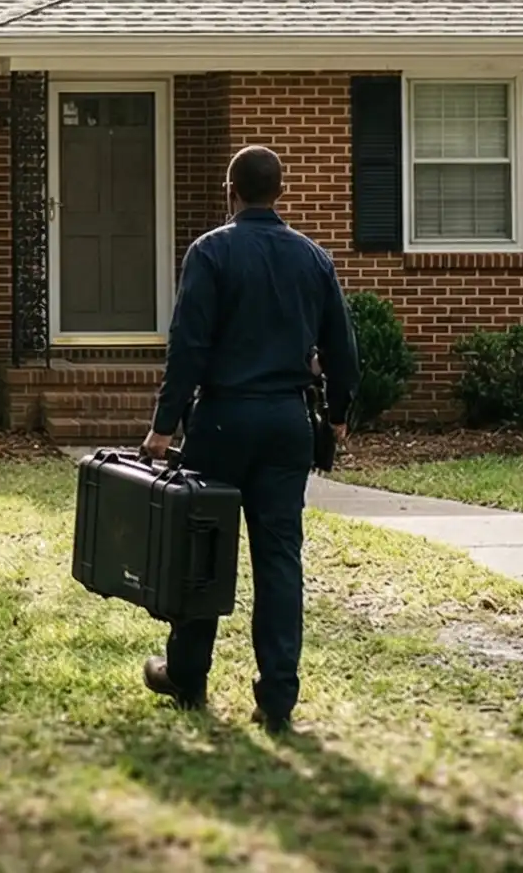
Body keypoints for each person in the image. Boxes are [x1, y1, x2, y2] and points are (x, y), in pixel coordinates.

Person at [138, 144, 359, 733]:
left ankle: (187, 672)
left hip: (221, 421)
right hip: (288, 422)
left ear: (230, 192)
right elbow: (343, 348)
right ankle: (278, 697)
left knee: (202, 552)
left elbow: (189, 345)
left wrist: (164, 424)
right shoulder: (314, 258)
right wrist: (336, 413)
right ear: (279, 192)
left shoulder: (210, 251)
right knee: (280, 558)